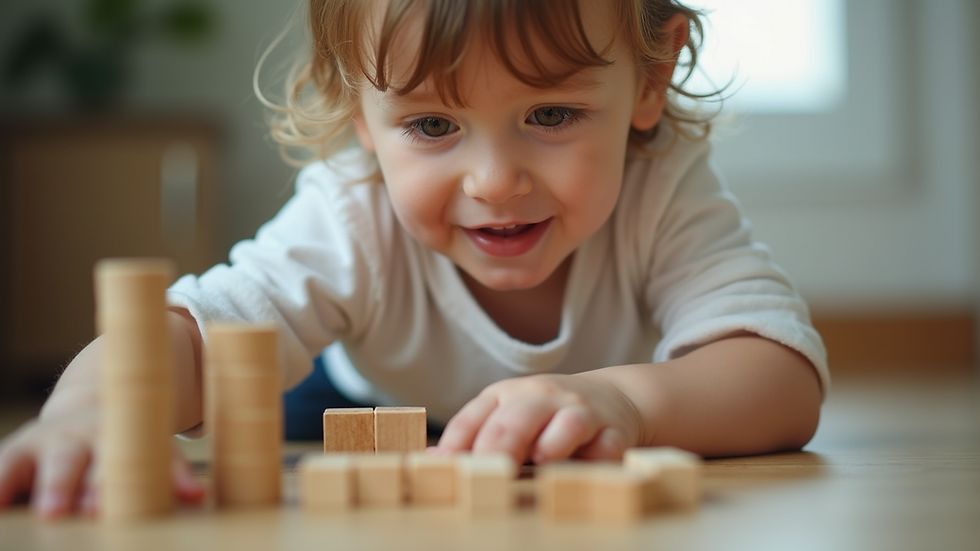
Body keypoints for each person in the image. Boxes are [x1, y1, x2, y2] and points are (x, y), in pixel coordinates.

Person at [0, 0, 829, 519]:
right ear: (358, 113)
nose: (495, 182)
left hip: (576, 420)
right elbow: (196, 333)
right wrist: (86, 412)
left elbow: (779, 374)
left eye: (551, 113)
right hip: (358, 413)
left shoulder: (662, 187)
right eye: (432, 126)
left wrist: (625, 398)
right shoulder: (351, 208)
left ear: (650, 78)